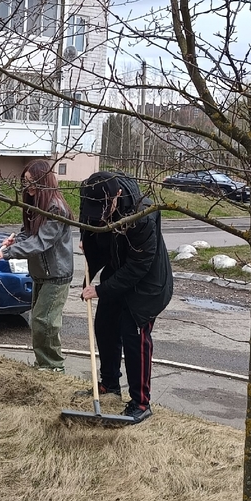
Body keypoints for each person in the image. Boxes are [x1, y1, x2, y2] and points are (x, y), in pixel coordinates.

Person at [78, 170, 174, 423]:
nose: (98, 217)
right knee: (104, 326)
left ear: (117, 195)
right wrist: (87, 244)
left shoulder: (142, 215)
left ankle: (141, 403)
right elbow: (88, 228)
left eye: (103, 210)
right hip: (117, 267)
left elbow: (138, 267)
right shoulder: (91, 195)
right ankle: (109, 385)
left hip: (148, 282)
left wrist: (100, 290)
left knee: (134, 335)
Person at [0, 159, 72, 373]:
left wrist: (8, 253)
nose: (28, 186)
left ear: (44, 180)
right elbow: (29, 234)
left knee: (45, 321)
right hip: (40, 273)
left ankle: (53, 366)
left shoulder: (56, 209)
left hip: (56, 275)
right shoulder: (37, 204)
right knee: (38, 322)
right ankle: (44, 364)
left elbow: (40, 242)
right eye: (25, 182)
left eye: (32, 181)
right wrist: (15, 241)